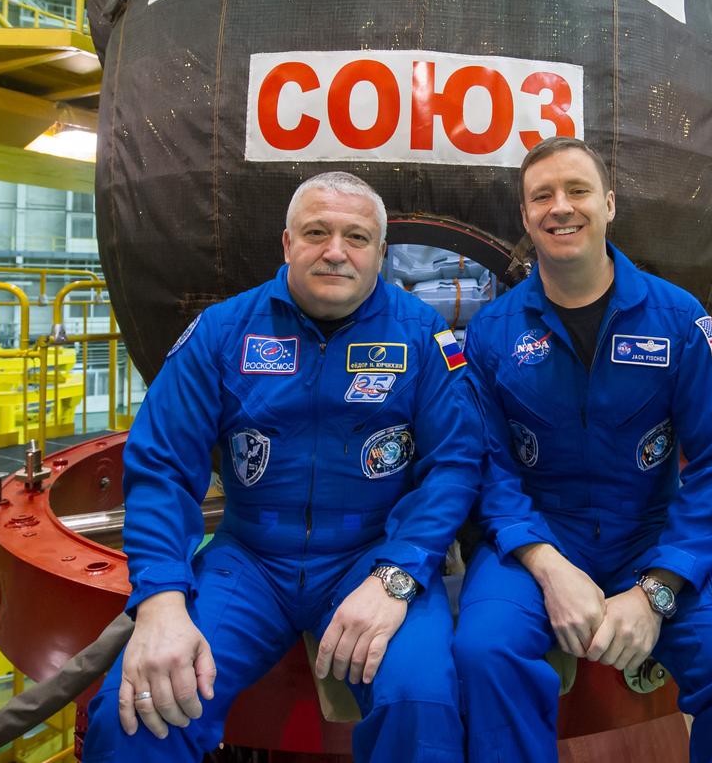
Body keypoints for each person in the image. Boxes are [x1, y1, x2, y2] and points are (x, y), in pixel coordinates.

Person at [84, 172, 481, 763]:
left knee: (420, 703)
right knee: (139, 711)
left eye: (356, 237)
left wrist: (398, 576)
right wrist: (161, 600)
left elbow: (454, 464)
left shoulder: (423, 337)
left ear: (380, 252)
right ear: (287, 243)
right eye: (316, 232)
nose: (335, 251)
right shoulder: (223, 333)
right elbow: (162, 467)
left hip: (371, 558)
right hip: (249, 562)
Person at [452, 137, 712, 762]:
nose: (562, 207)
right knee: (484, 653)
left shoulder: (678, 320)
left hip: (653, 541)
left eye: (578, 190)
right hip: (538, 543)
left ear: (609, 204)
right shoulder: (491, 334)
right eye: (542, 196)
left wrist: (657, 590)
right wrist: (546, 565)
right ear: (526, 217)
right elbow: (490, 468)